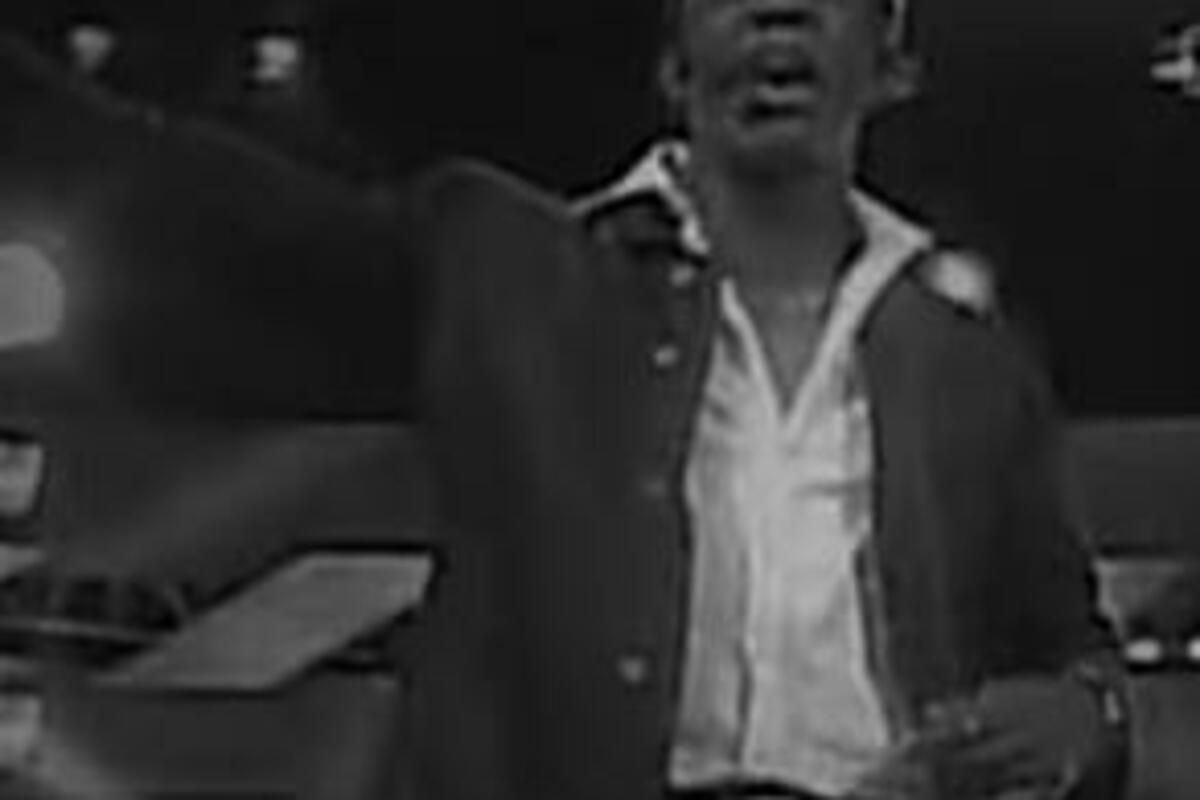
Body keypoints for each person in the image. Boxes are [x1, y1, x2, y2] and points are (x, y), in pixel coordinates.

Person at [0, 1, 1127, 798]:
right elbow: (209, 212)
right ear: (674, 68)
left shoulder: (972, 364)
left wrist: (1083, 718)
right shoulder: (507, 268)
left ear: (892, 64)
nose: (776, 14)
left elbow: (1068, 650)